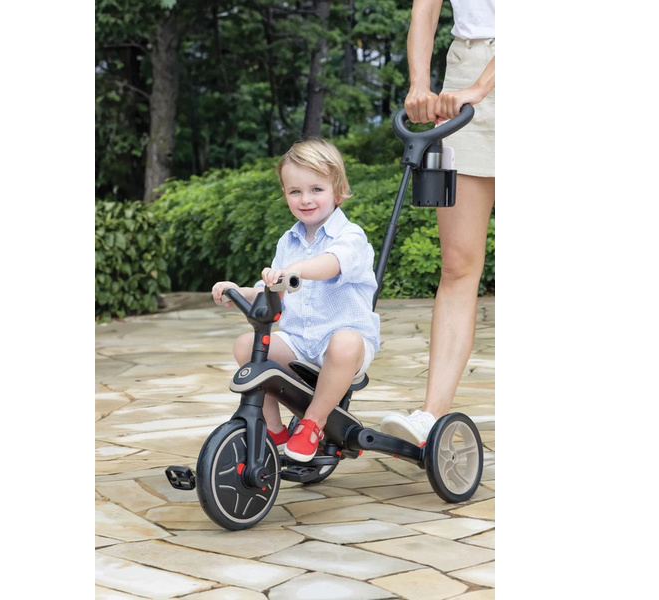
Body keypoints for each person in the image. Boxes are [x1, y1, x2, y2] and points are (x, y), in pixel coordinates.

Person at [212, 139, 380, 462]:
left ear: (338, 191)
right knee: (246, 346)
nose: (305, 199)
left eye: (316, 189)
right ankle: (274, 431)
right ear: (285, 194)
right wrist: (240, 291)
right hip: (300, 344)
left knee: (345, 342)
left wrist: (296, 270)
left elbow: (331, 264)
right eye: (295, 191)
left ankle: (313, 423)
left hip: (344, 347)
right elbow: (273, 289)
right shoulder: (287, 242)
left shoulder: (351, 237)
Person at [380, 0, 495, 445]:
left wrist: (482, 86)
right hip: (464, 70)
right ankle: (430, 416)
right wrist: (419, 86)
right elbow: (425, 11)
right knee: (457, 266)